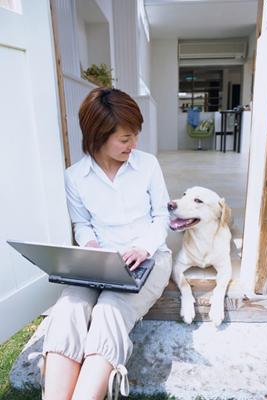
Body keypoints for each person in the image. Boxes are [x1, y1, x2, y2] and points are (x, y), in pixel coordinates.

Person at [41, 87, 172, 400]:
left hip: (149, 259)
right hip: (99, 262)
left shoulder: (148, 165)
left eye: (135, 136)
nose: (133, 145)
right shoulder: (75, 177)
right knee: (69, 308)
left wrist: (143, 248)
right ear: (98, 135)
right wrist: (92, 247)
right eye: (125, 139)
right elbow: (82, 223)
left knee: (109, 309)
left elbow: (162, 218)